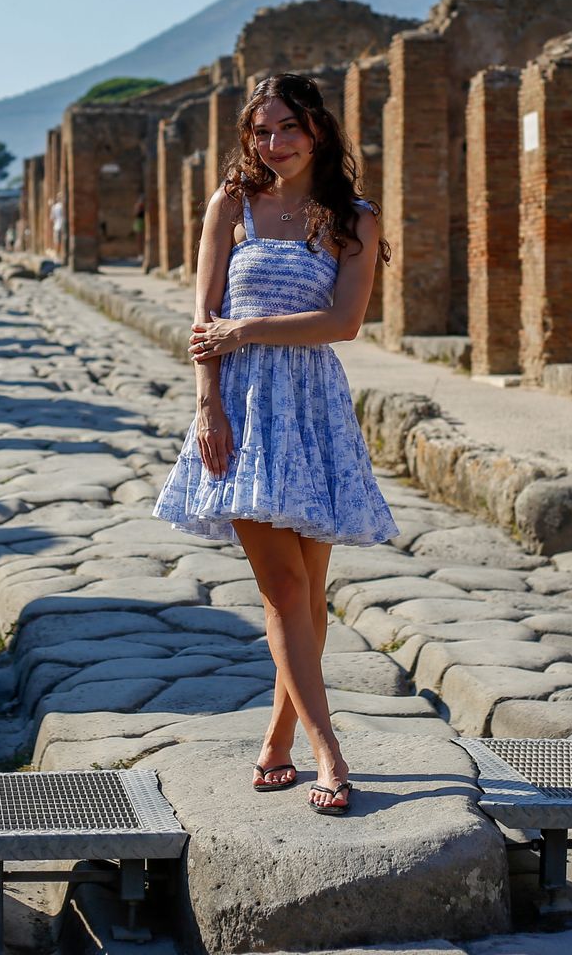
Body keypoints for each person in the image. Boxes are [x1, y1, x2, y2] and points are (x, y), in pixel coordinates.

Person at [151, 72, 395, 816]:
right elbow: (203, 319)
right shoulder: (232, 203)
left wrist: (246, 329)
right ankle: (330, 751)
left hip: (313, 409)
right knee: (283, 588)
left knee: (310, 597)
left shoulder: (353, 217)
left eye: (286, 127)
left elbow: (344, 324)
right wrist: (207, 409)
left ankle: (278, 739)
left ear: (317, 129)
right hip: (242, 408)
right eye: (260, 131)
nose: (272, 143)